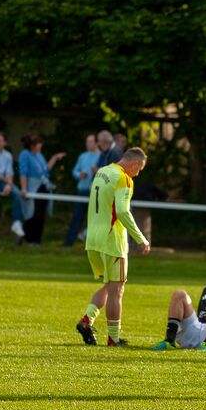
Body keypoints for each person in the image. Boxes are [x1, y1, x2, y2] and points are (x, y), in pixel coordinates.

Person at [75, 147, 152, 347]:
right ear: (134, 164)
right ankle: (113, 338)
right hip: (112, 240)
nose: (137, 174)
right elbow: (123, 212)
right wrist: (141, 238)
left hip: (93, 239)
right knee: (117, 289)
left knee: (109, 286)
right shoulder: (124, 178)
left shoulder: (102, 171)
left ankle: (87, 320)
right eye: (139, 169)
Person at [19, 134, 66, 246]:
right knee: (33, 213)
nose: (40, 146)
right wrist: (24, 188)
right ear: (32, 146)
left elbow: (45, 169)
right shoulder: (25, 154)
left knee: (41, 214)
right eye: (39, 144)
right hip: (33, 187)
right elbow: (23, 172)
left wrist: (54, 158)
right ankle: (28, 237)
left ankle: (36, 240)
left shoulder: (39, 155)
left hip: (43, 186)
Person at [64, 133, 100, 247]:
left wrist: (98, 171)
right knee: (76, 217)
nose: (87, 144)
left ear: (97, 143)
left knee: (95, 218)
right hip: (81, 190)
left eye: (90, 141)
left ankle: (92, 243)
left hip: (95, 192)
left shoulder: (101, 156)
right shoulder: (82, 156)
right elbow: (74, 171)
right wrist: (79, 175)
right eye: (87, 141)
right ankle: (69, 242)